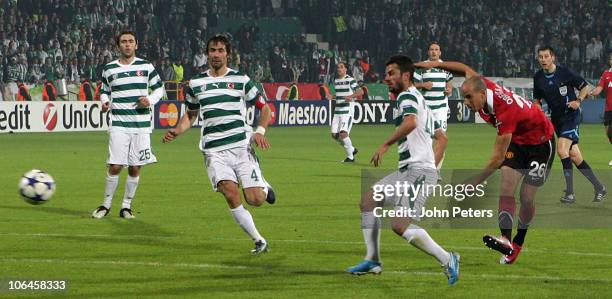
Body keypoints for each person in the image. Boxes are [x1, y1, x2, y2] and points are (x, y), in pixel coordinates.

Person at [415, 59, 555, 264]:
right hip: (518, 140)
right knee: (507, 186)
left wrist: (474, 181)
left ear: (481, 94)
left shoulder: (505, 110)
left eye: (469, 98)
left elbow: (498, 157)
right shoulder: (479, 84)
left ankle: (518, 242)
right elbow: (464, 68)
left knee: (526, 198)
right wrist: (436, 65)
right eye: (464, 98)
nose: (466, 102)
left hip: (541, 143)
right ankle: (506, 240)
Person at [346, 55, 460, 285]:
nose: (386, 78)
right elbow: (443, 138)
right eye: (386, 74)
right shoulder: (421, 100)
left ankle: (448, 259)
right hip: (410, 171)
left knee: (399, 225)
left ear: (406, 76)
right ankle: (373, 260)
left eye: (391, 74)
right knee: (368, 201)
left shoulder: (407, 96)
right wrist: (432, 166)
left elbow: (410, 123)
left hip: (417, 172)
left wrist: (385, 145)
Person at [162, 35, 276, 254]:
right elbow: (191, 115)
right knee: (230, 193)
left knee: (256, 199)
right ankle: (259, 240)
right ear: (207, 54)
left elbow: (266, 109)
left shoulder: (241, 80)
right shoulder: (195, 84)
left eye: (220, 50)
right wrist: (177, 130)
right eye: (212, 50)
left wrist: (260, 131)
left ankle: (263, 184)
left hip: (241, 148)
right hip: (214, 151)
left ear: (228, 54)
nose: (216, 54)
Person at [91, 30, 165, 219]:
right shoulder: (109, 68)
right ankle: (105, 205)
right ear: (118, 46)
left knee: (135, 167)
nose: (127, 44)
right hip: (118, 123)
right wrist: (104, 101)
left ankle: (126, 207)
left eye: (130, 41)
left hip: (141, 125)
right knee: (115, 165)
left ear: (136, 44)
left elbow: (159, 89)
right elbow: (104, 90)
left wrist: (149, 100)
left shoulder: (146, 66)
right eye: (123, 41)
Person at [534, 46, 607, 203]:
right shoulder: (538, 77)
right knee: (575, 156)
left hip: (571, 116)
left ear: (552, 58)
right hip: (557, 119)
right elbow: (537, 99)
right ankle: (599, 187)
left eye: (546, 56)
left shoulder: (564, 72)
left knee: (561, 150)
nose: (543, 59)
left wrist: (578, 101)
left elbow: (584, 86)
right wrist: (538, 109)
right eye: (540, 57)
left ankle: (570, 193)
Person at [414, 42, 453, 175]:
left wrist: (449, 90)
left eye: (436, 49)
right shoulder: (422, 67)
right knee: (426, 141)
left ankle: (436, 171)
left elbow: (449, 85)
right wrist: (423, 84)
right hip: (426, 109)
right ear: (428, 52)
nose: (434, 52)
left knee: (441, 138)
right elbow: (412, 85)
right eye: (431, 50)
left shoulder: (445, 67)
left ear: (440, 52)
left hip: (441, 108)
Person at [330, 61, 363, 162]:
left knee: (343, 133)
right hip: (337, 110)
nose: (339, 69)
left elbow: (360, 91)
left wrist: (351, 96)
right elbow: (339, 93)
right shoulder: (336, 80)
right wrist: (333, 96)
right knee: (334, 135)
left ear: (345, 69)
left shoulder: (350, 80)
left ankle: (350, 157)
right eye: (338, 67)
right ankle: (352, 149)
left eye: (341, 67)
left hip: (347, 110)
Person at [589, 53, 612, 166]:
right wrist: (591, 92)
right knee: (608, 133)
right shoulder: (606, 74)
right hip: (608, 109)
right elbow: (599, 89)